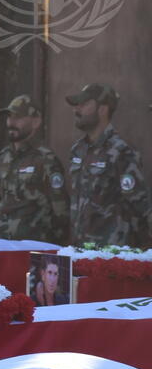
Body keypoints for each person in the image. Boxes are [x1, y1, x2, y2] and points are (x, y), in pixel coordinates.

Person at [67, 84, 151, 248]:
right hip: (80, 248)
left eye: (83, 104)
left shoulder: (121, 151)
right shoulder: (78, 150)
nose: (76, 110)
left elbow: (139, 205)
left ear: (103, 109)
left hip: (111, 252)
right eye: (76, 105)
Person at [0, 95, 70, 245]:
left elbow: (60, 210)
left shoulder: (45, 159)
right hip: (4, 246)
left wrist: (53, 246)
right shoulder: (3, 158)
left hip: (35, 246)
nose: (11, 123)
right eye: (9, 117)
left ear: (36, 121)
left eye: (18, 118)